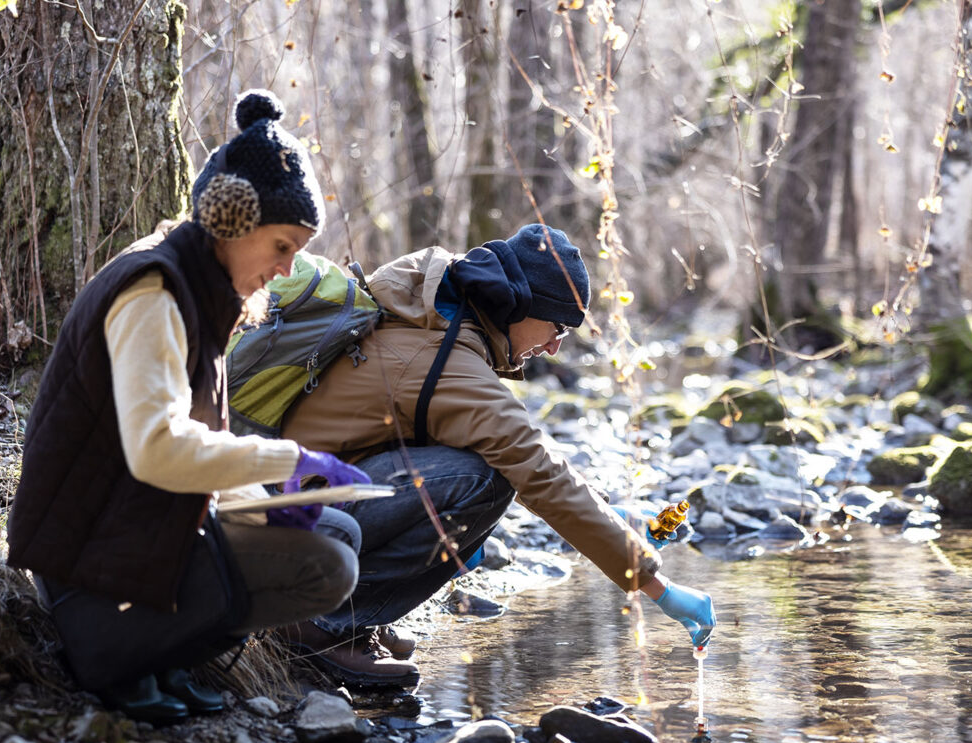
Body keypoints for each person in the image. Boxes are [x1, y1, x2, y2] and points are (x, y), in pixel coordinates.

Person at [7, 90, 369, 722]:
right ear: (232, 219)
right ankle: (121, 654)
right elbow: (158, 450)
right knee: (328, 566)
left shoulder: (203, 293)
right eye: (282, 246)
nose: (287, 270)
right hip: (88, 563)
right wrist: (284, 459)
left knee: (338, 529)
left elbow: (196, 449)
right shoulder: (154, 293)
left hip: (140, 528)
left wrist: (273, 504)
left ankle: (166, 654)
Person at [274, 223, 717, 689]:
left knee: (482, 482)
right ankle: (318, 623)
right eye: (557, 326)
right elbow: (532, 468)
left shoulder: (437, 319)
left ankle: (353, 617)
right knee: (485, 483)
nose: (554, 346)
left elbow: (518, 452)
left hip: (301, 500)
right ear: (517, 305)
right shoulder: (442, 359)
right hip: (292, 521)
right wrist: (657, 587)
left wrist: (616, 514)